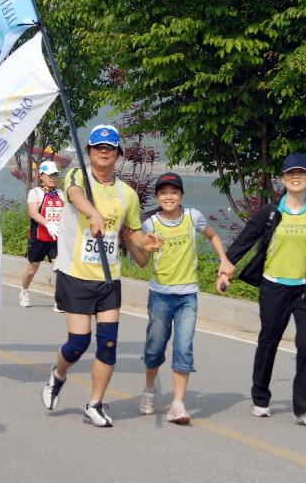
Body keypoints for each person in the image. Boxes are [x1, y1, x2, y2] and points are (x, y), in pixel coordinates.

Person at [219, 153, 306, 427]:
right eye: (291, 173)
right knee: (268, 341)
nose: (296, 177)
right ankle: (260, 396)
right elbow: (245, 240)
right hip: (273, 287)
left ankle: (305, 408)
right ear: (283, 178)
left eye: (302, 174)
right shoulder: (270, 212)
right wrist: (225, 268)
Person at [41, 124, 163, 427]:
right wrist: (92, 213)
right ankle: (58, 375)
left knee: (108, 344)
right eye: (98, 147)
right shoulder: (77, 175)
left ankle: (94, 404)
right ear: (90, 152)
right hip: (76, 274)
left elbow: (132, 235)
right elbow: (74, 195)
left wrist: (145, 245)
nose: (104, 152)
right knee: (79, 342)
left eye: (110, 148)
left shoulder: (127, 195)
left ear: (117, 153)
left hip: (109, 279)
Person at [126, 172, 234, 424]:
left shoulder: (193, 217)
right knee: (155, 347)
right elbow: (143, 263)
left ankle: (177, 404)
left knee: (184, 348)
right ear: (157, 197)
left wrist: (224, 260)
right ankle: (150, 389)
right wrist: (132, 244)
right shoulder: (151, 224)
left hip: (188, 296)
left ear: (181, 195)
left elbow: (213, 236)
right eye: (163, 193)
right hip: (160, 295)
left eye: (174, 192)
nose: (169, 197)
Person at [19, 160, 65, 310]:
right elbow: (33, 212)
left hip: (55, 239)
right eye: (49, 175)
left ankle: (59, 300)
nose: (53, 177)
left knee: (60, 269)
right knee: (32, 269)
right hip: (39, 238)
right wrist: (48, 224)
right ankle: (24, 291)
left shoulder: (60, 194)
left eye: (55, 175)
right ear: (41, 176)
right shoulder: (35, 193)